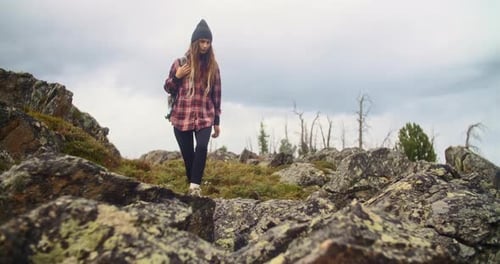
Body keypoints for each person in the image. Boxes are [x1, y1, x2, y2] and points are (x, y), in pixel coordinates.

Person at [163, 19, 221, 196]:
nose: (205, 45)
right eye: (202, 41)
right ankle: (191, 189)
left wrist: (217, 121)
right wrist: (177, 76)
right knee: (189, 157)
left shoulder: (213, 67)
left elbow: (217, 94)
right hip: (181, 117)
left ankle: (195, 187)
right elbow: (168, 88)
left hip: (205, 116)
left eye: (208, 42)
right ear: (195, 42)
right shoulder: (180, 63)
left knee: (202, 147)